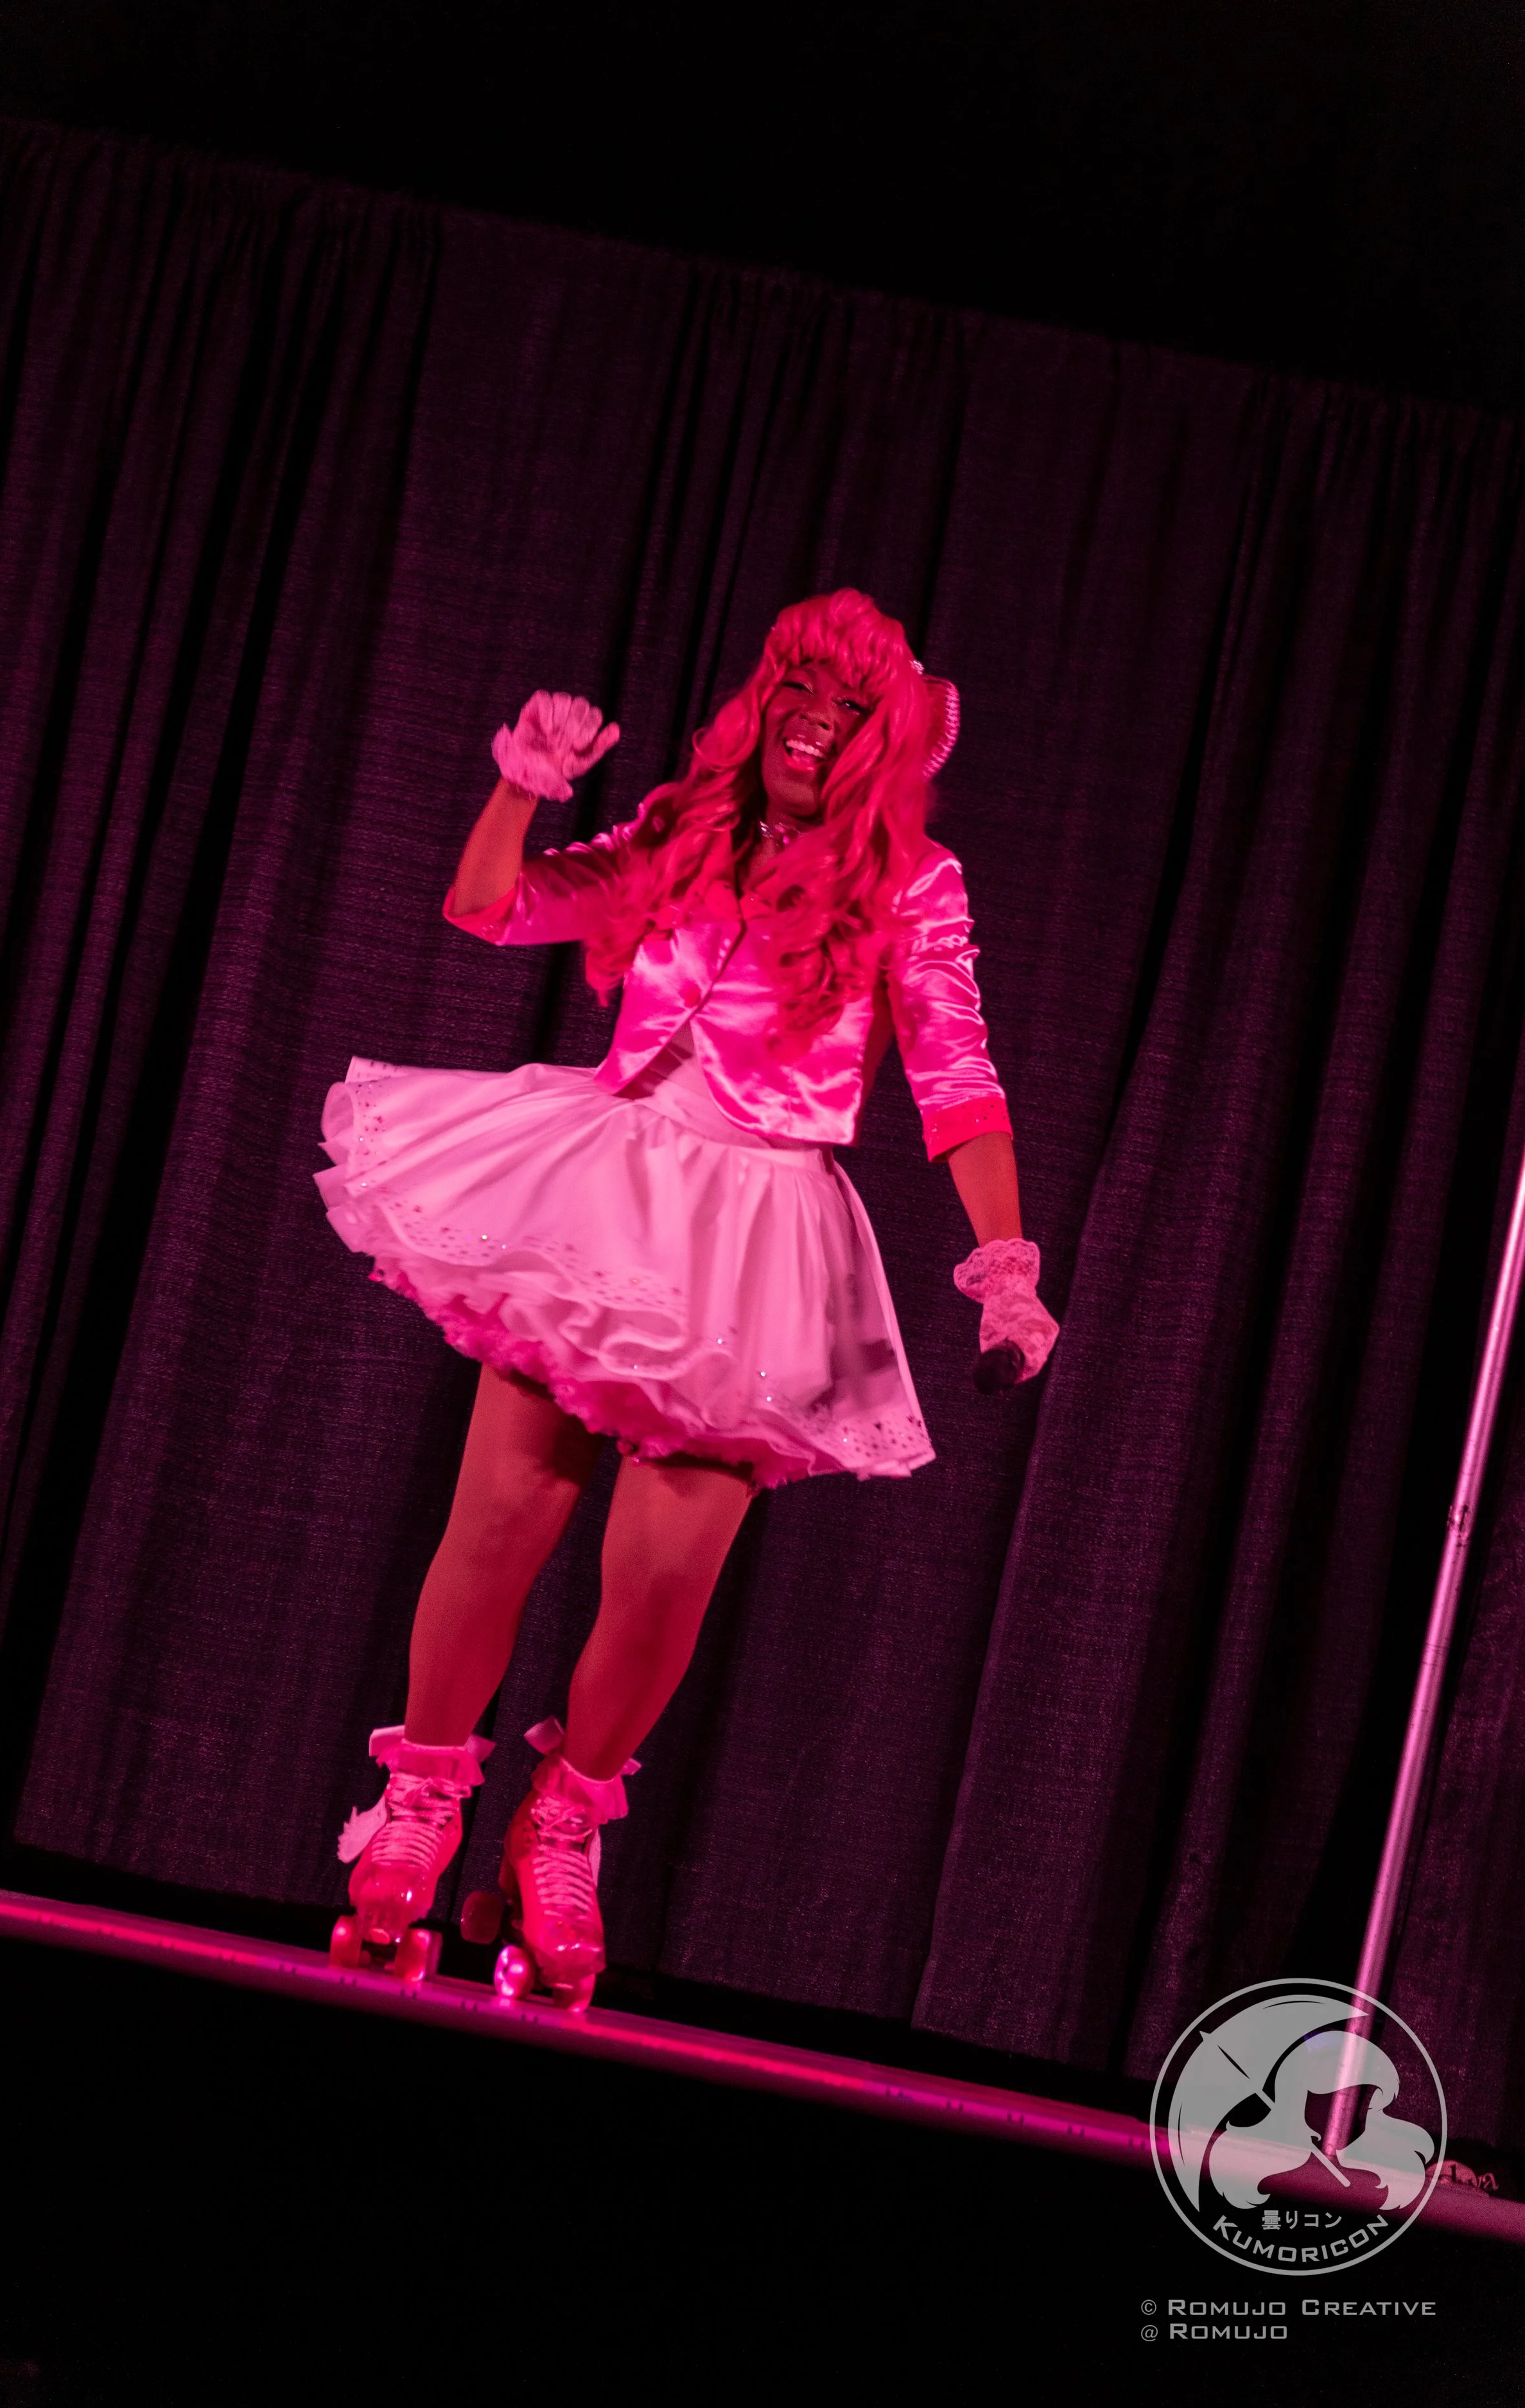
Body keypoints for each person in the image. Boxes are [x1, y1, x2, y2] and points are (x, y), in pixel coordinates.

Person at [315, 589, 1059, 2003]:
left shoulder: (914, 884)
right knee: (502, 1517)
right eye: (795, 700)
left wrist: (1005, 1266)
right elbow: (490, 907)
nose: (809, 732)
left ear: (878, 746)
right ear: (760, 707)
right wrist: (515, 791)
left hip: (757, 1230)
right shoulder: (678, 827)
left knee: (660, 1581)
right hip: (603, 1191)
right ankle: (418, 1800)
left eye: (844, 718)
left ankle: (567, 1821)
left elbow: (958, 1079)